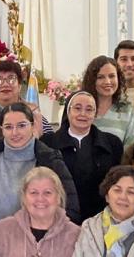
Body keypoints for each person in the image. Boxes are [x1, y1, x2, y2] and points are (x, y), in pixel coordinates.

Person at [0, 102, 79, 223]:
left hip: (38, 233)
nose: (15, 132)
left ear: (32, 126)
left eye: (21, 125)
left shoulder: (50, 160)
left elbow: (70, 208)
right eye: (8, 127)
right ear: (1, 129)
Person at [45, 89, 123, 220]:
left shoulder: (112, 143)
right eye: (77, 108)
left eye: (89, 109)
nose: (83, 114)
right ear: (68, 111)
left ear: (95, 114)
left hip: (100, 217)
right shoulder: (48, 142)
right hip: (59, 215)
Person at [82, 55, 134, 144]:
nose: (107, 82)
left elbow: (132, 147)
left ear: (118, 78)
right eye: (100, 77)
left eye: (112, 76)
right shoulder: (80, 108)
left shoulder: (127, 110)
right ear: (92, 80)